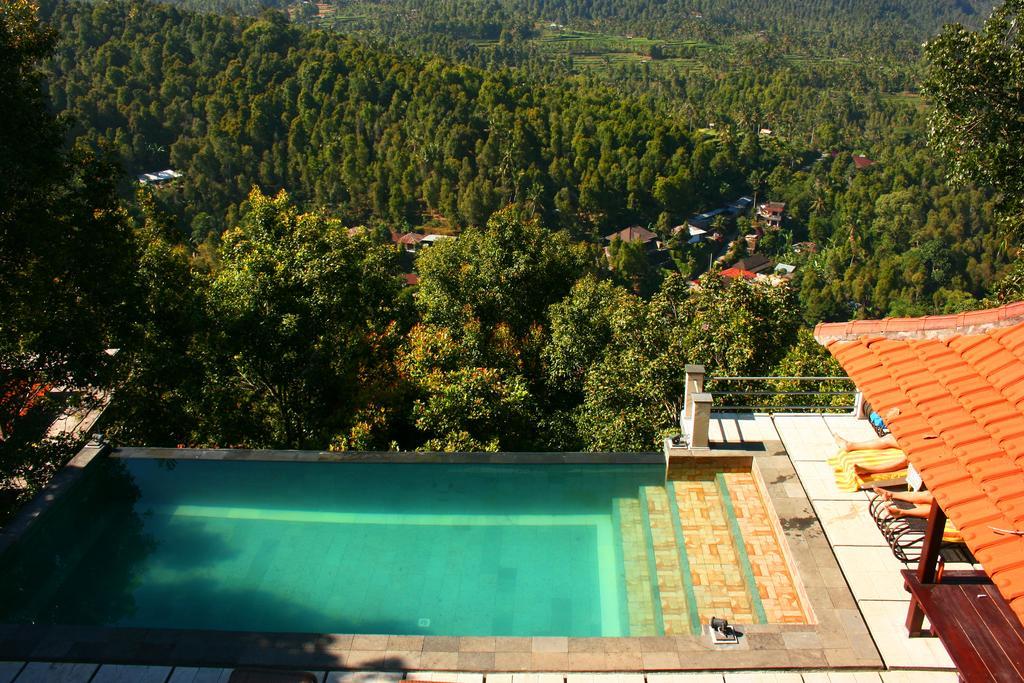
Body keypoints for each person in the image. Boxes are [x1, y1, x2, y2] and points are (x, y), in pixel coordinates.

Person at [833, 432, 907, 476]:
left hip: (918, 452)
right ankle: (849, 445)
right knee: (889, 438)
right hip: (916, 443)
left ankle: (867, 469)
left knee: (907, 460)